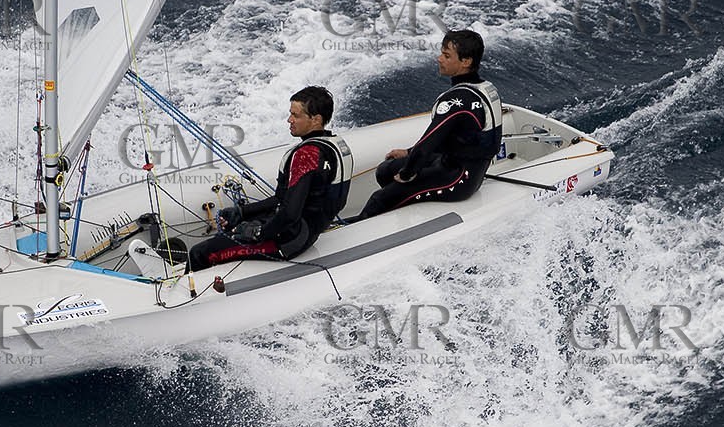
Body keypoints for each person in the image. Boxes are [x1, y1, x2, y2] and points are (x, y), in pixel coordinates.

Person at [183, 86, 353, 273]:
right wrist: (242, 212)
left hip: (289, 240)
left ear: (316, 120)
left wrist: (258, 233)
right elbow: (284, 199)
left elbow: (289, 214)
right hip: (304, 231)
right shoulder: (335, 145)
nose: (289, 120)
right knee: (235, 227)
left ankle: (190, 299)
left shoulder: (307, 155)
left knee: (199, 253)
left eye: (295, 115)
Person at [354, 29, 502, 219]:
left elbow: (427, 146)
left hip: (458, 180)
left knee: (379, 199)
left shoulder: (455, 101)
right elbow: (456, 138)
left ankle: (362, 227)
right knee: (385, 171)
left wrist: (407, 175)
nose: (439, 59)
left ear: (466, 62)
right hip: (461, 167)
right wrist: (409, 152)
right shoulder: (485, 88)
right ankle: (402, 207)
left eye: (447, 55)